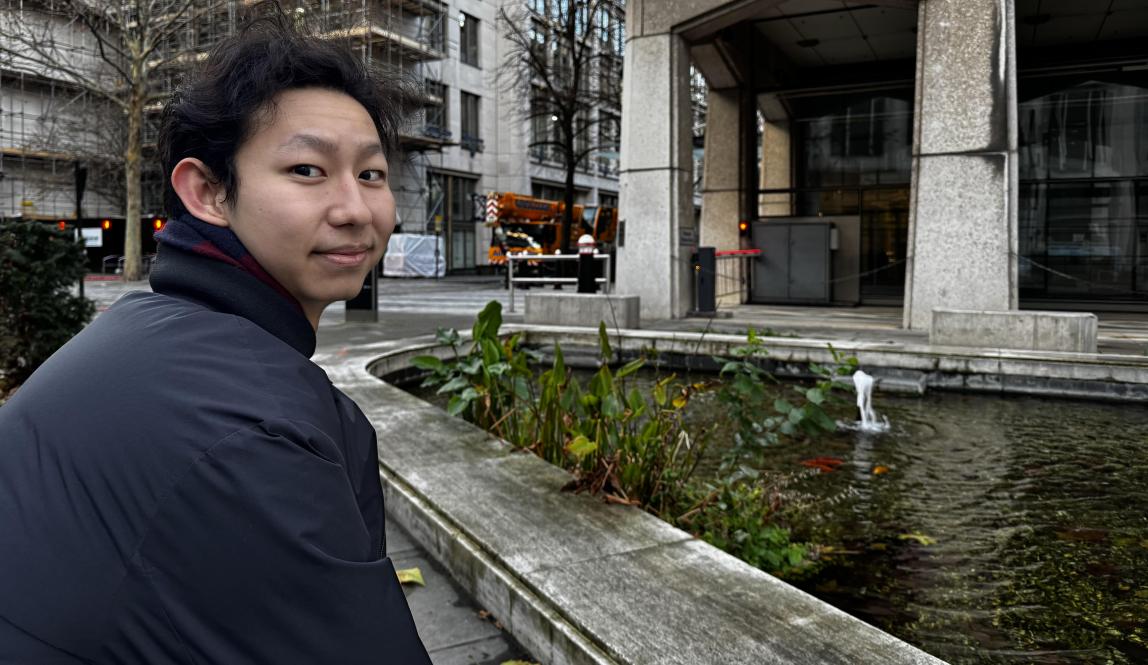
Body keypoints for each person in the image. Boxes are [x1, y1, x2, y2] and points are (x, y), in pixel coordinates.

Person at [0, 13, 431, 664]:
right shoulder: (259, 425)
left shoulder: (129, 330)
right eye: (308, 170)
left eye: (371, 174)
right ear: (207, 191)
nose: (355, 208)